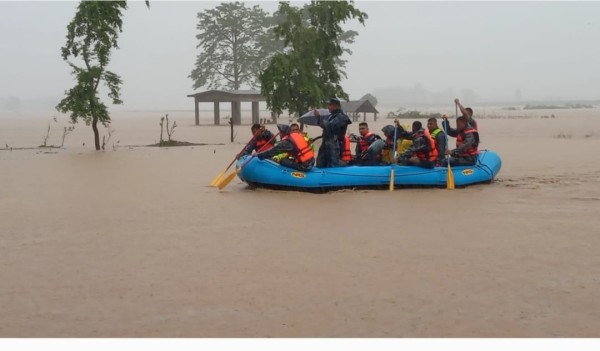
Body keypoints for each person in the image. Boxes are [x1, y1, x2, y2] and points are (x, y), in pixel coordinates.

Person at [313, 97, 352, 168]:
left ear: (337, 106)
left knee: (333, 163)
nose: (328, 107)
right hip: (326, 142)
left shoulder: (342, 117)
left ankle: (343, 167)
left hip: (335, 144)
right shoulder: (331, 116)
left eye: (330, 105)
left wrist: (319, 118)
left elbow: (329, 126)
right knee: (320, 162)